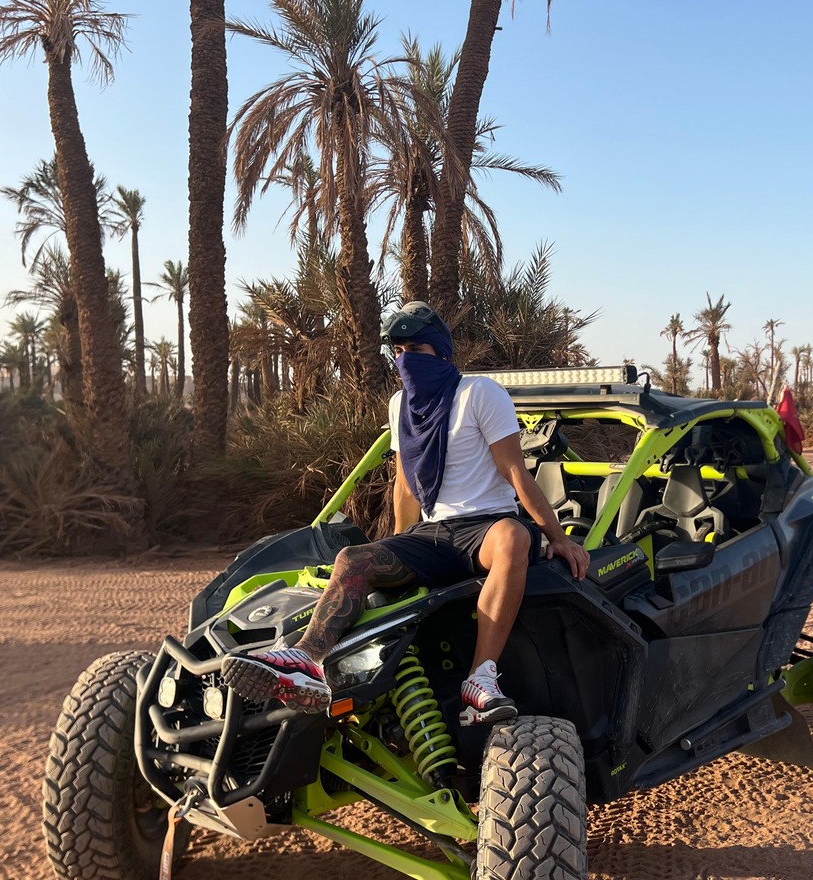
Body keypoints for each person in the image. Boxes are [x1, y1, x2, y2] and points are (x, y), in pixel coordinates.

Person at [221, 301, 590, 725]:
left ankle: (480, 679)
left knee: (513, 538)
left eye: (417, 347)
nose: (406, 358)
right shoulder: (401, 404)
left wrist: (558, 537)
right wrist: (396, 542)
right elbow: (404, 482)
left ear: (442, 352)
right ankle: (306, 661)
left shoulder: (479, 393)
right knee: (353, 559)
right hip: (433, 531)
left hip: (485, 525)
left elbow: (514, 472)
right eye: (398, 350)